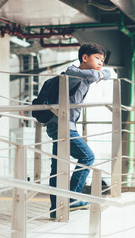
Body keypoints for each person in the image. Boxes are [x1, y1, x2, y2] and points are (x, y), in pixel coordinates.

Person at [46, 42, 111, 218]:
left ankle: (56, 208)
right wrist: (98, 75)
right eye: (97, 58)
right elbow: (95, 74)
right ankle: (73, 198)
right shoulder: (72, 73)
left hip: (61, 124)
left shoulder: (84, 76)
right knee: (87, 156)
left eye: (102, 60)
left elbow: (109, 73)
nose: (101, 63)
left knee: (57, 167)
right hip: (62, 125)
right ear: (84, 58)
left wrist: (100, 74)